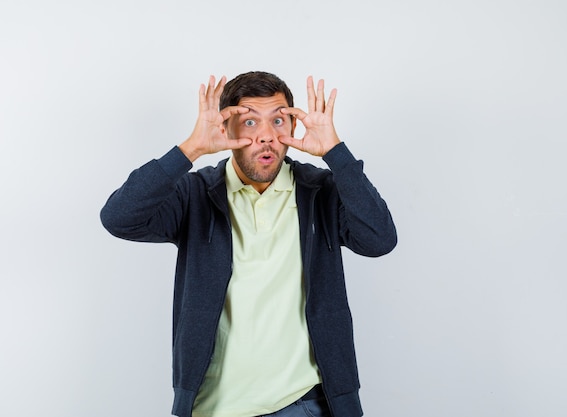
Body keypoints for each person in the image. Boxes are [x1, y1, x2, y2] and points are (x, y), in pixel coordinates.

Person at [100, 71, 397, 417]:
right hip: (213, 408)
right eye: (250, 122)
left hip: (306, 405)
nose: (267, 136)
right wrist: (190, 149)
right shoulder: (195, 195)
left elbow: (380, 239)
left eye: (279, 120)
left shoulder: (321, 191)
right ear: (226, 128)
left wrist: (336, 154)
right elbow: (118, 217)